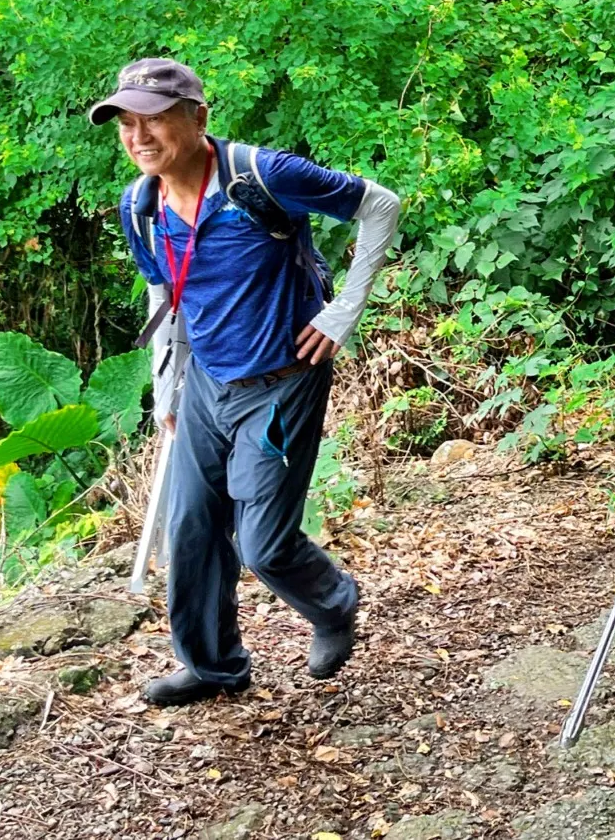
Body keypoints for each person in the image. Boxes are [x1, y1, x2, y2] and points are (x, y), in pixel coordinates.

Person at [91, 59, 402, 706]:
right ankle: (212, 665)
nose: (138, 134)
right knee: (193, 529)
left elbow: (380, 205)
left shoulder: (261, 177)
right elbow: (166, 290)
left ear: (198, 117)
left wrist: (343, 310)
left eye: (153, 117)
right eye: (126, 121)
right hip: (206, 380)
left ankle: (334, 602)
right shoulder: (141, 204)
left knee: (263, 543)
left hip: (283, 378)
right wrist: (167, 384)